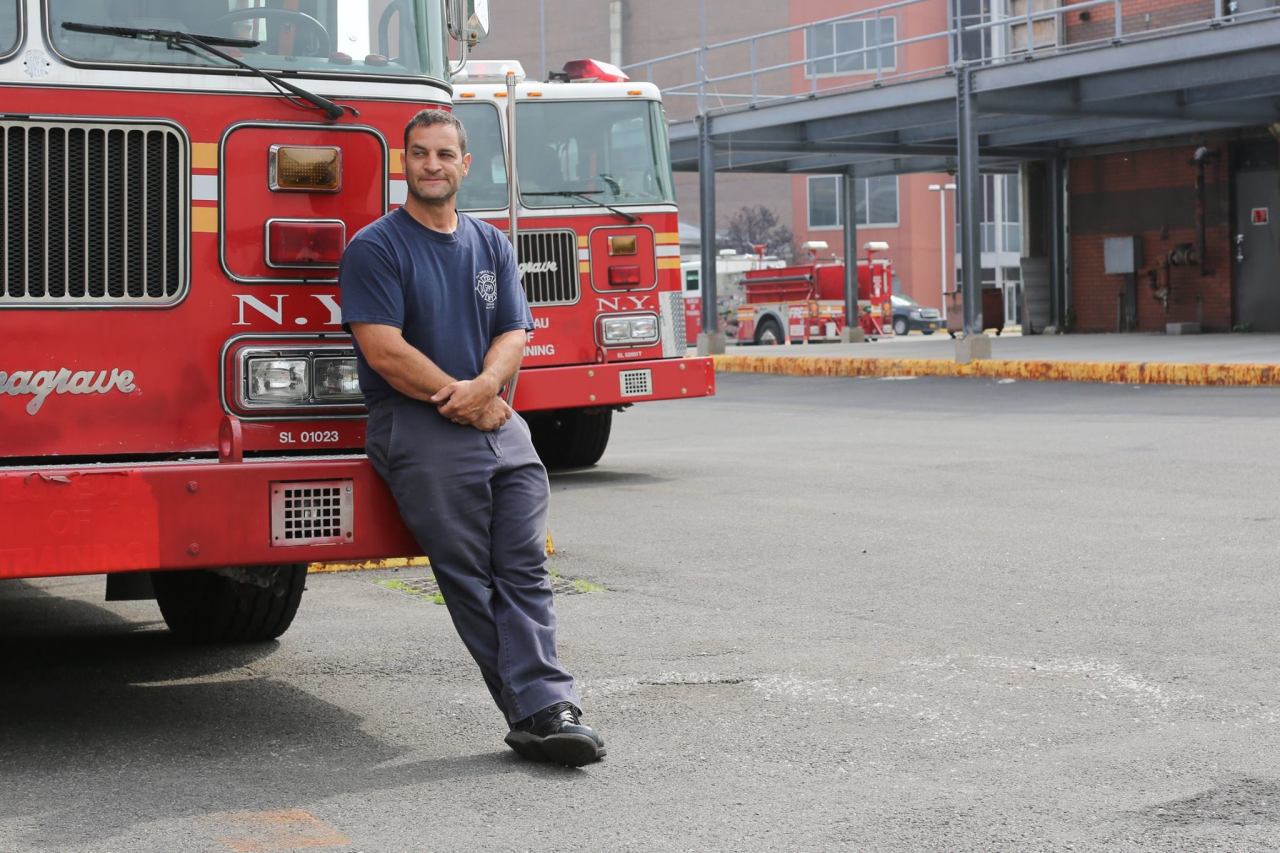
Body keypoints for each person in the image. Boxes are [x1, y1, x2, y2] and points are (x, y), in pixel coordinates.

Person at [339, 109, 605, 767]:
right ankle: (543, 708)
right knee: (471, 578)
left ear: (466, 164)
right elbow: (383, 349)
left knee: (524, 570)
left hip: (496, 424)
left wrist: (487, 389)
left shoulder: (490, 244)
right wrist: (462, 398)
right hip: (414, 423)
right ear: (405, 163)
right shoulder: (374, 247)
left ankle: (540, 706)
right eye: (420, 154)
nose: (432, 165)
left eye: (444, 154)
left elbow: (513, 332)